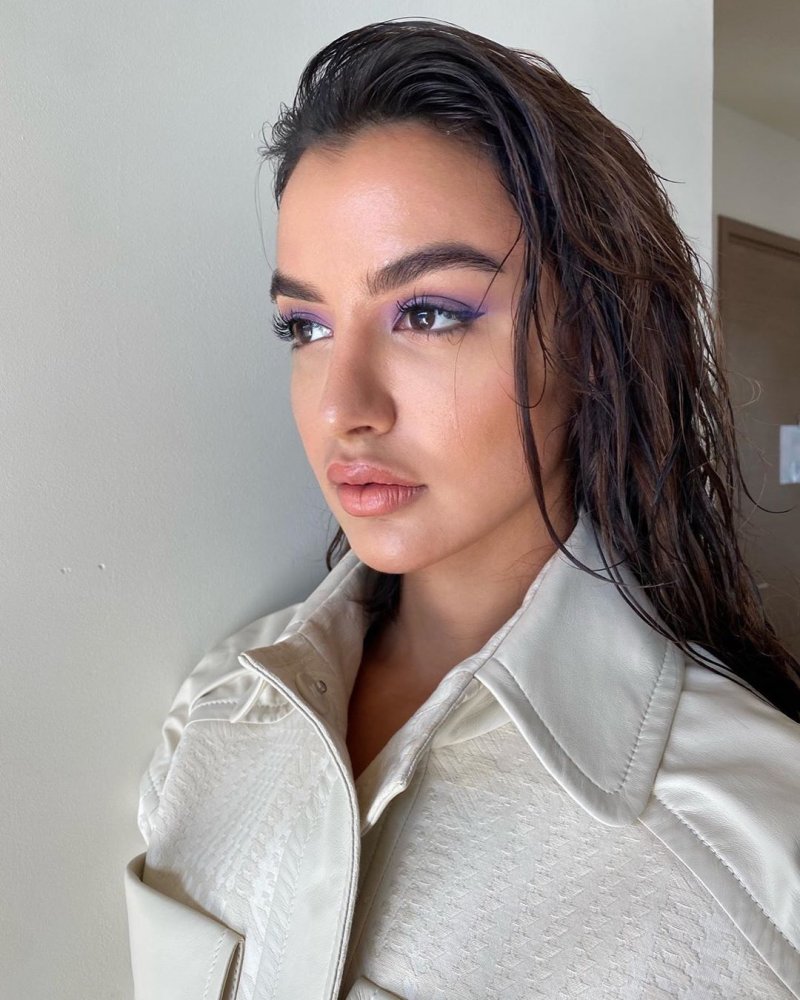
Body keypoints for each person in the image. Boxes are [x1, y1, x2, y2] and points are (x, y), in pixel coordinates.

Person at [123, 18, 800, 1000]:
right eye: (304, 327)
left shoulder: (757, 857)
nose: (343, 408)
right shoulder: (219, 708)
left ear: (594, 339)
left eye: (429, 313)